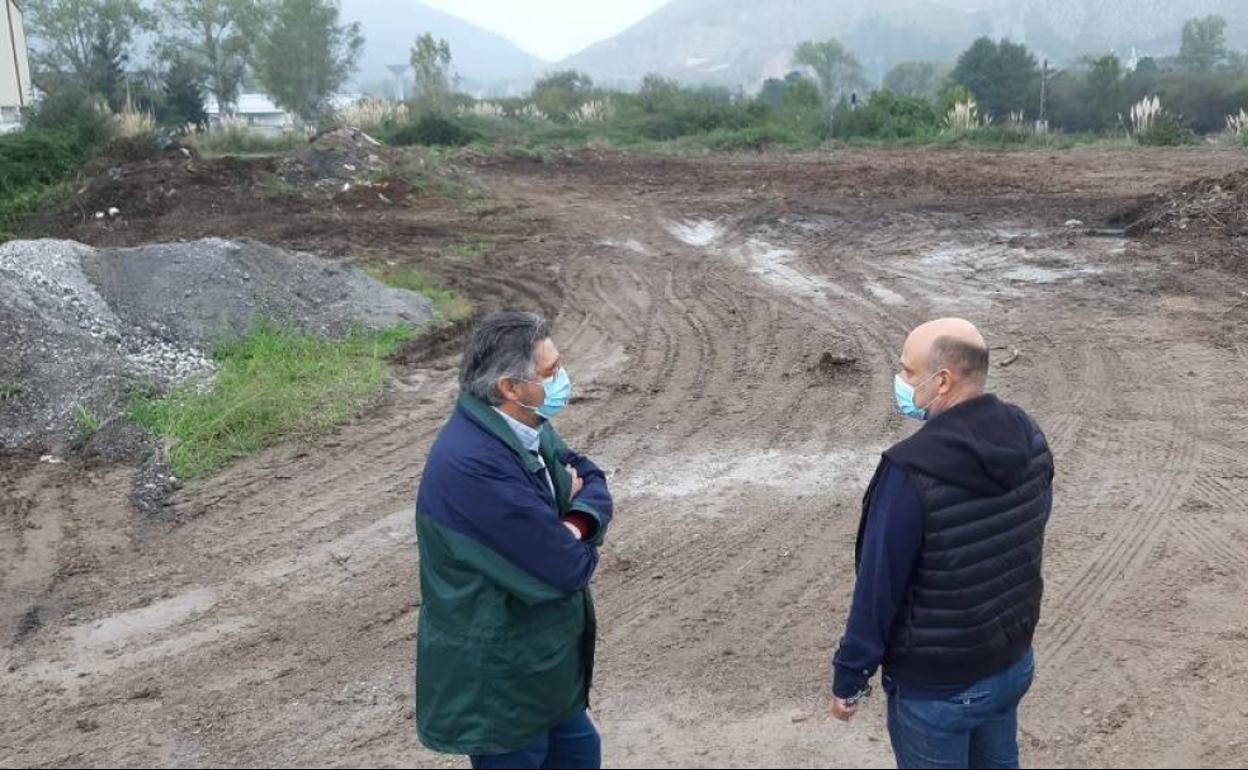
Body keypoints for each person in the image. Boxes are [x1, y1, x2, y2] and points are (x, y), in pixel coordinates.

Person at [830, 318, 1054, 770]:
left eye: (908, 372)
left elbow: (878, 587)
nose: (900, 382)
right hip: (1010, 663)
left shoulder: (908, 472)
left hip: (939, 689)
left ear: (943, 381)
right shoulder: (1029, 438)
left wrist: (850, 676)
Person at [415, 312, 613, 769]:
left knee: (582, 754)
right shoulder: (471, 464)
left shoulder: (524, 428)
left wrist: (569, 521)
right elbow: (566, 568)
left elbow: (591, 477)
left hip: (542, 671)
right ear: (510, 386)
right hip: (499, 685)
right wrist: (565, 503)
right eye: (550, 372)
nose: (563, 379)